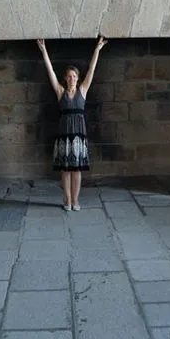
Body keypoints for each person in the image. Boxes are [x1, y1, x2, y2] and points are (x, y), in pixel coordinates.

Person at [37, 36, 108, 211]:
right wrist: (43, 50)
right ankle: (67, 200)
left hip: (78, 134)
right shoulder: (60, 91)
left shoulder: (83, 90)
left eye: (74, 76)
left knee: (76, 169)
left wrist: (97, 49)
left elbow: (92, 69)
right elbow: (50, 72)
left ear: (78, 78)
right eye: (69, 76)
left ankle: (76, 200)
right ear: (65, 79)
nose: (72, 79)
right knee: (65, 170)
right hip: (64, 133)